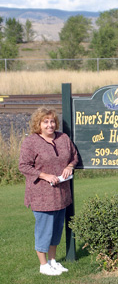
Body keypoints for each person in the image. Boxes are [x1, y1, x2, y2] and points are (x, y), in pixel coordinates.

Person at [19, 106, 78, 276]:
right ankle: (43, 264)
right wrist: (44, 175)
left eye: (52, 121)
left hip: (62, 194)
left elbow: (74, 156)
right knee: (45, 229)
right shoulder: (31, 142)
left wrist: (69, 166)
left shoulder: (63, 138)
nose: (50, 125)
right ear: (38, 124)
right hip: (41, 195)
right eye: (45, 122)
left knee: (57, 229)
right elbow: (23, 166)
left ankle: (53, 261)